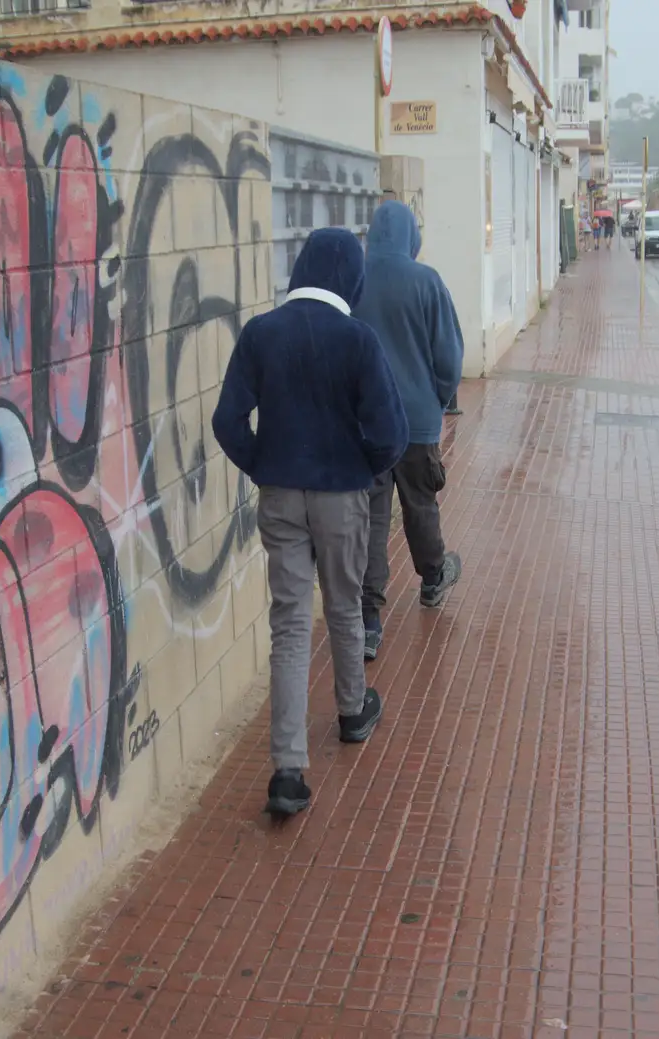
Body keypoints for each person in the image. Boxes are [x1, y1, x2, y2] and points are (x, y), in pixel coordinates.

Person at [212, 227, 409, 820]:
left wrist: (264, 467)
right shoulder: (358, 340)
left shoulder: (260, 334)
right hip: (342, 496)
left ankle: (288, 770)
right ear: (351, 277)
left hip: (279, 496)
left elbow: (227, 421)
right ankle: (352, 711)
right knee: (345, 606)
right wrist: (361, 469)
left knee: (291, 625)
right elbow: (393, 434)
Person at [354, 200, 464, 662]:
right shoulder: (427, 282)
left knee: (372, 520)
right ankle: (433, 577)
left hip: (366, 424)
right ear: (411, 236)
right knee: (421, 504)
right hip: (416, 423)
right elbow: (449, 358)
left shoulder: (352, 280)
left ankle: (368, 622)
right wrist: (435, 401)